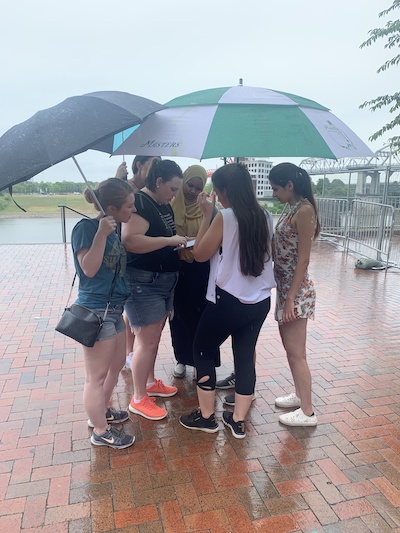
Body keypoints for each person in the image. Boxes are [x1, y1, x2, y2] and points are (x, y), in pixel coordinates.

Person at [179, 163, 275, 438]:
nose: (215, 197)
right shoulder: (265, 215)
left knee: (202, 348)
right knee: (244, 357)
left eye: (217, 191)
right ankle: (238, 421)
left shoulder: (226, 217)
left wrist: (208, 216)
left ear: (225, 191)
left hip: (228, 299)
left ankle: (207, 416)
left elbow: (199, 253)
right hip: (259, 301)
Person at [70, 178, 136, 449]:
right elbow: (88, 268)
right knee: (95, 377)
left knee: (117, 362)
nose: (132, 210)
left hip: (114, 309)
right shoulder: (87, 229)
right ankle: (100, 429)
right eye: (129, 206)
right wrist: (100, 234)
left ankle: (103, 411)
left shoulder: (115, 227)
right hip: (96, 310)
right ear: (111, 207)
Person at [122, 159, 187, 421]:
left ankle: (148, 383)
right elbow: (130, 240)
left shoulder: (162, 205)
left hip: (162, 281)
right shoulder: (139, 202)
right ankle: (139, 398)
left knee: (152, 340)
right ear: (158, 182)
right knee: (146, 341)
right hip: (143, 282)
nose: (174, 195)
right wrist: (169, 241)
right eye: (172, 189)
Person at [269, 162, 320, 427]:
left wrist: (290, 298)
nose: (274, 194)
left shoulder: (305, 210)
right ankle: (300, 396)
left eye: (277, 188)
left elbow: (303, 260)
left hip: (296, 292)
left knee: (297, 352)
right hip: (286, 289)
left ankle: (308, 411)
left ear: (290, 186)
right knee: (291, 350)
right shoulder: (292, 207)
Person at [170, 165, 219, 379]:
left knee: (204, 317)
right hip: (179, 270)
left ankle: (204, 360)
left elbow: (215, 236)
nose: (192, 191)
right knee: (180, 318)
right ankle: (181, 358)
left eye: (198, 187)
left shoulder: (208, 209)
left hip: (203, 269)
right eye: (190, 185)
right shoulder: (171, 206)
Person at [115, 155, 161, 370]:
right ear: (139, 165)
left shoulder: (155, 193)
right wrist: (118, 179)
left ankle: (135, 360)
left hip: (148, 264)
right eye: (154, 162)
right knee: (130, 314)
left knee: (135, 318)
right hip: (129, 261)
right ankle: (128, 355)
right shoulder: (125, 187)